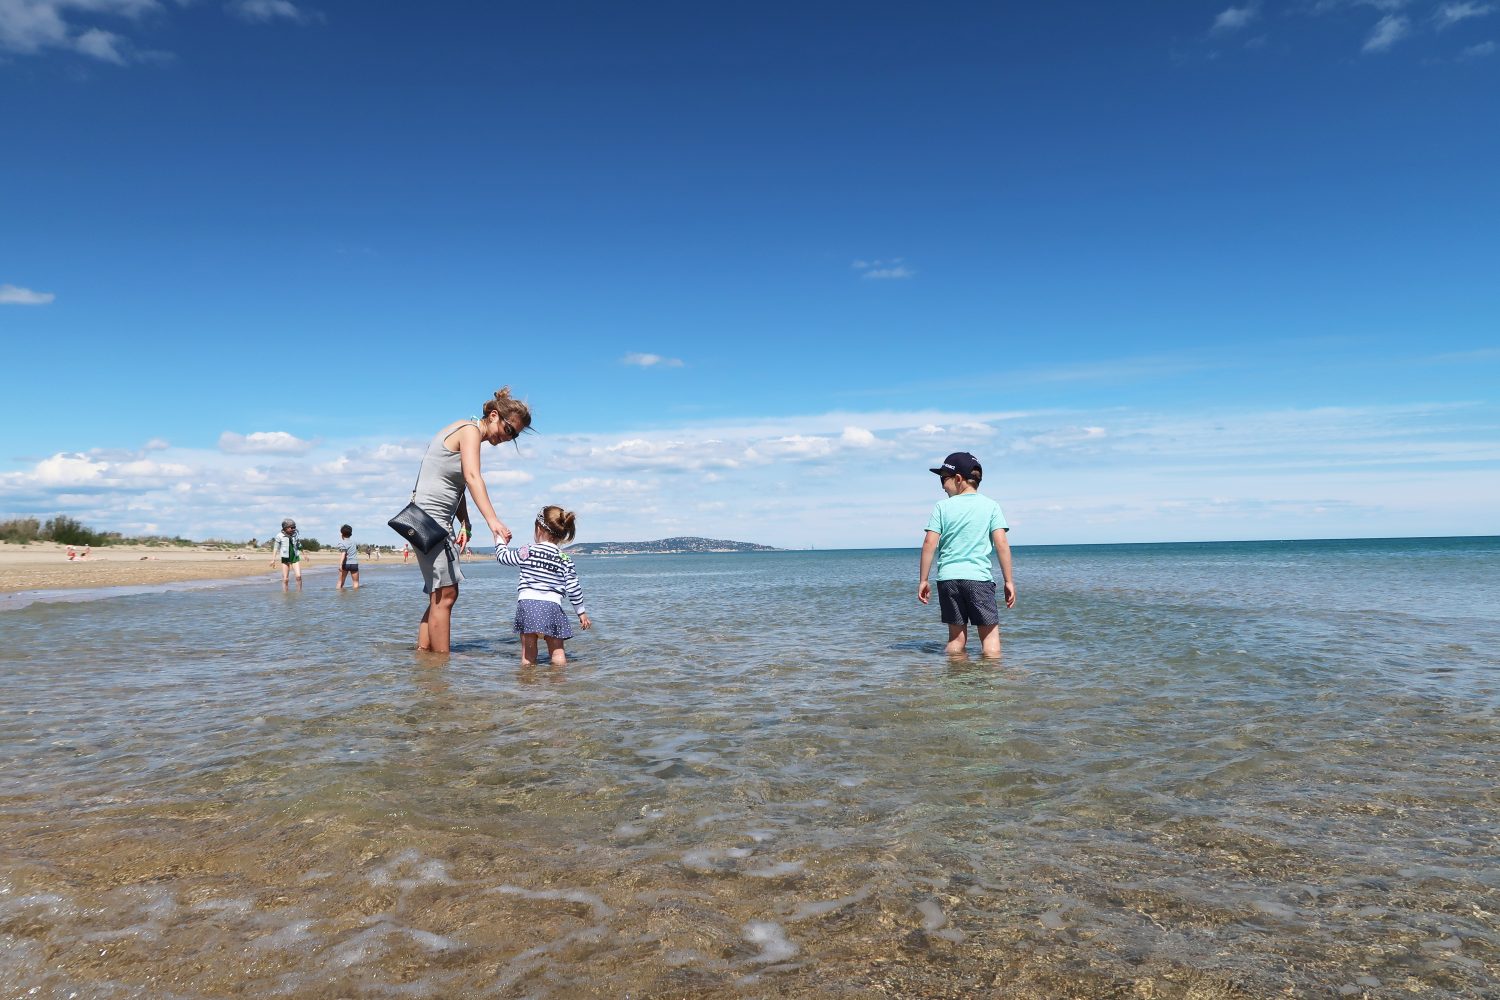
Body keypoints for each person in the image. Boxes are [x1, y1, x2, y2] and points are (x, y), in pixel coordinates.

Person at [408, 387, 531, 653]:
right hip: (432, 520)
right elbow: (474, 477)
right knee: (446, 594)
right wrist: (493, 521)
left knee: (439, 594)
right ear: (494, 415)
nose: (510, 438)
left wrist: (465, 523)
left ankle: (425, 661)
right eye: (510, 430)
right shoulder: (470, 431)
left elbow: (459, 484)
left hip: (429, 519)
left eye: (516, 435)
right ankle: (441, 667)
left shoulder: (466, 430)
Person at [917, 452, 1015, 658]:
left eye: (943, 479)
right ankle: (992, 684)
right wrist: (1009, 581)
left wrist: (923, 580)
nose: (942, 485)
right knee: (989, 637)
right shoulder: (991, 506)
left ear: (958, 479)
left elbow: (929, 544)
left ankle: (955, 684)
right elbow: (1002, 544)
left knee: (956, 639)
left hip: (948, 580)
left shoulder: (942, 507)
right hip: (978, 579)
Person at [495, 505, 591, 666]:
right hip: (552, 608)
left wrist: (499, 539)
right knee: (557, 652)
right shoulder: (564, 559)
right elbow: (574, 589)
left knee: (528, 655)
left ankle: (528, 686)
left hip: (528, 606)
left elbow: (503, 557)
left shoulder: (527, 551)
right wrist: (581, 613)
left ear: (538, 528)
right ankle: (559, 686)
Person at [270, 518, 302, 590]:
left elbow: (299, 545)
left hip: (295, 557)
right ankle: (285, 594)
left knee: (298, 577)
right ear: (286, 528)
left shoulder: (295, 535)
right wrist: (273, 560)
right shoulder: (279, 536)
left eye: (295, 527)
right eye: (292, 527)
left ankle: (299, 593)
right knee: (285, 579)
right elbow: (275, 548)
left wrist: (305, 554)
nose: (294, 529)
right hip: (285, 558)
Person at [334, 523, 360, 590]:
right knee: (355, 582)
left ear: (342, 534)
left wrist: (340, 565)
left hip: (345, 564)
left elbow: (343, 554)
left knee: (340, 582)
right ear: (351, 534)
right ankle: (355, 597)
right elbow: (356, 548)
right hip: (354, 563)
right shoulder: (355, 542)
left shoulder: (342, 543)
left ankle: (340, 597)